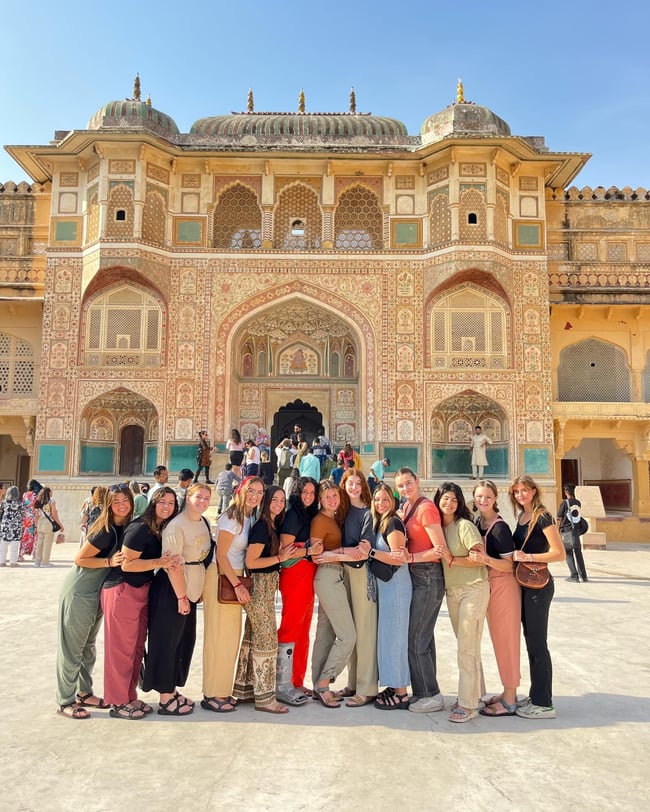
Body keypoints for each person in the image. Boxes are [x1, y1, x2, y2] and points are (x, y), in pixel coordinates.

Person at [102, 487, 180, 719]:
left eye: (172, 503)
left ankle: (129, 696)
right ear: (153, 503)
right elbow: (127, 564)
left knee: (135, 648)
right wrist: (160, 561)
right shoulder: (140, 528)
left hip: (140, 591)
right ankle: (117, 702)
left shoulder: (159, 527)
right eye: (162, 502)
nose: (167, 506)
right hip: (122, 590)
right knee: (120, 650)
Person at [55, 484, 132, 719]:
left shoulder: (124, 527)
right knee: (72, 648)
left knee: (88, 647)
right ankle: (65, 700)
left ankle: (84, 693)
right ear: (108, 504)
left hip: (96, 592)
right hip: (80, 591)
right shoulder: (106, 530)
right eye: (115, 501)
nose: (121, 505)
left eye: (125, 500)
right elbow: (80, 558)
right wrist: (109, 562)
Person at [142, 483, 213, 715]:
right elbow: (173, 566)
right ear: (188, 498)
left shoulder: (202, 522)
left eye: (206, 498)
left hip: (189, 590)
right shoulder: (176, 526)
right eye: (198, 497)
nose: (202, 502)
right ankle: (165, 698)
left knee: (182, 642)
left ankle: (171, 689)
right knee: (166, 643)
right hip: (172, 590)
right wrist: (182, 596)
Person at [201, 477, 265, 713]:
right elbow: (221, 555)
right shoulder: (232, 517)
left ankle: (221, 691)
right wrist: (237, 584)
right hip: (223, 577)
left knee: (229, 638)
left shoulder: (248, 517)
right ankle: (212, 694)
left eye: (259, 492)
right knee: (219, 637)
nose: (255, 496)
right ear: (241, 491)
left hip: (233, 576)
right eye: (251, 491)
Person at [233, 486, 295, 713]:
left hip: (266, 590)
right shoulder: (261, 527)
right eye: (274, 499)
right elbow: (251, 562)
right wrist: (279, 557)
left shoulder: (270, 525)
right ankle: (266, 698)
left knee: (253, 637)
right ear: (266, 501)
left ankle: (246, 690)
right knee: (268, 641)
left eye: (282, 500)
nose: (278, 504)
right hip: (259, 588)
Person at [510, 475, 566, 719]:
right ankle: (536, 694)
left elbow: (559, 553)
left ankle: (544, 704)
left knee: (538, 643)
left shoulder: (542, 516)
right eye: (517, 491)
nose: (521, 494)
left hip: (538, 587)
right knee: (531, 640)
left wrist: (528, 557)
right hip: (525, 584)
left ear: (534, 491)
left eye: (525, 490)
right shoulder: (522, 517)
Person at [432, 482, 489, 723]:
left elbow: (480, 559)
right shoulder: (439, 528)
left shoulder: (464, 526)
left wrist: (452, 559)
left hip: (473, 588)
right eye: (445, 498)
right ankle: (477, 694)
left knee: (466, 647)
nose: (449, 503)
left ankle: (468, 704)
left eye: (454, 499)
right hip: (453, 591)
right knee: (468, 645)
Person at [393, 467, 447, 714]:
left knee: (416, 638)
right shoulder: (406, 508)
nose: (405, 488)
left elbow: (440, 549)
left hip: (428, 575)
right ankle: (427, 688)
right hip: (418, 576)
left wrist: (411, 558)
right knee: (424, 636)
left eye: (408, 483)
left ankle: (430, 694)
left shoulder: (426, 508)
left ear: (418, 481)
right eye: (401, 486)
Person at [310, 481, 366, 708]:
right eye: (328, 496)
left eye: (335, 495)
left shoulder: (334, 518)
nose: (333, 499)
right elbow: (317, 555)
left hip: (335, 576)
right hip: (327, 577)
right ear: (320, 500)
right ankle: (324, 682)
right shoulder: (320, 521)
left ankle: (317, 685)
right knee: (348, 635)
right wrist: (346, 553)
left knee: (326, 634)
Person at [470, 480, 521, 717]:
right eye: (479, 496)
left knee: (506, 641)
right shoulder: (478, 523)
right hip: (488, 586)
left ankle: (510, 699)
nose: (483, 501)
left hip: (503, 586)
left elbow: (509, 565)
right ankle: (507, 691)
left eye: (487, 497)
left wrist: (486, 560)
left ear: (495, 499)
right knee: (496, 640)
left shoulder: (499, 528)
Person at [277, 476, 322, 705]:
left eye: (312, 493)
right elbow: (285, 552)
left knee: (303, 629)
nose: (308, 496)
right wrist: (308, 550)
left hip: (306, 576)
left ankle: (296, 680)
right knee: (290, 628)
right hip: (295, 576)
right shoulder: (293, 515)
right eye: (305, 492)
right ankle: (281, 683)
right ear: (296, 492)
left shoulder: (308, 515)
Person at [370, 483, 412, 710]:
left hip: (396, 588)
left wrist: (372, 552)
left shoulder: (393, 522)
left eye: (385, 499)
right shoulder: (382, 521)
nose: (381, 503)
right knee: (388, 637)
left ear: (393, 501)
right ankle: (394, 685)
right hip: (387, 588)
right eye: (377, 499)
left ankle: (402, 693)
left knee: (395, 638)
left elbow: (398, 558)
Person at [337, 468, 377, 707]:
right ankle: (353, 683)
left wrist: (333, 553)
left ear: (363, 486)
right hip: (344, 571)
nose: (353, 488)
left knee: (365, 630)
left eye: (357, 484)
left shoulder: (367, 513)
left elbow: (362, 549)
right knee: (351, 629)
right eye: (349, 483)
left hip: (362, 572)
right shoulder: (342, 511)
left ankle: (367, 687)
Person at [557, 484, 589, 583]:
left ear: (566, 492)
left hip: (567, 530)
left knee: (568, 553)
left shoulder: (565, 503)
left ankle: (574, 575)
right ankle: (583, 576)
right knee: (578, 553)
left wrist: (557, 530)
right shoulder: (578, 502)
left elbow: (559, 517)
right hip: (576, 531)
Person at [34, 486, 65, 567]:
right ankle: (45, 562)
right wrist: (60, 525)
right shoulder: (52, 501)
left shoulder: (38, 501)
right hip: (48, 523)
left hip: (40, 522)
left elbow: (36, 515)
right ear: (48, 493)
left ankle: (38, 561)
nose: (52, 493)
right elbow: (54, 515)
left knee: (40, 543)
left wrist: (35, 525)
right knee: (47, 543)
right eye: (51, 491)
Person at [0, 486, 24, 567]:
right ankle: (13, 562)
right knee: (14, 544)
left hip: (5, 525)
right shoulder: (20, 503)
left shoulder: (4, 502)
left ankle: (1, 561)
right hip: (16, 526)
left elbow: (1, 512)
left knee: (3, 544)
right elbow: (23, 514)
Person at [20, 478, 42, 560]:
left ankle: (21, 554)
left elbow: (24, 506)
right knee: (35, 535)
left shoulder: (25, 494)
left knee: (25, 535)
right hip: (33, 517)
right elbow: (36, 508)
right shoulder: (36, 495)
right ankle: (35, 555)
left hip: (26, 518)